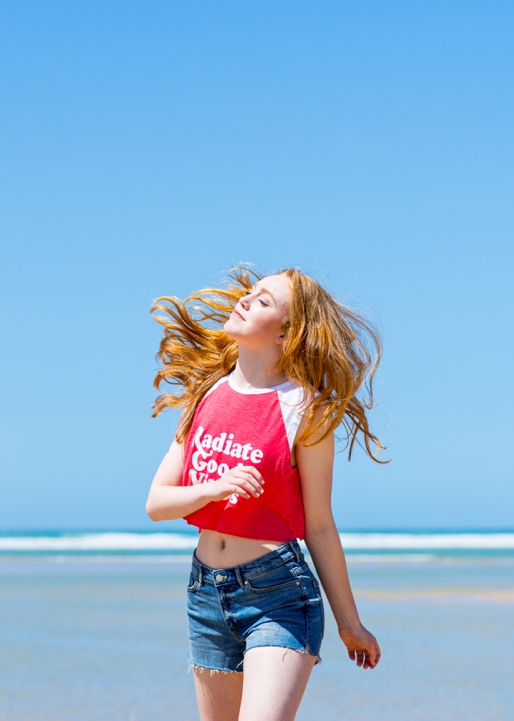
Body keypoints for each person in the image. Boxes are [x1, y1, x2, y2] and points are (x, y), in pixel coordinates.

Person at [146, 266, 385, 721]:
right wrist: (215, 488)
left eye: (263, 301)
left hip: (278, 594)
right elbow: (156, 503)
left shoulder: (305, 408)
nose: (245, 301)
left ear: (286, 335)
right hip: (205, 596)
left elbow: (318, 524)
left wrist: (349, 624)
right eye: (250, 294)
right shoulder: (206, 396)